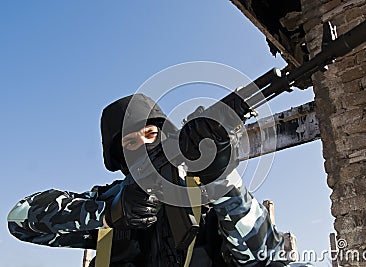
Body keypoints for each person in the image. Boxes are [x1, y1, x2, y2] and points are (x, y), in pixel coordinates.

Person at [8, 94, 289, 267]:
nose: (143, 145)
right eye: (131, 142)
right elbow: (20, 221)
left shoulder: (206, 193)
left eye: (150, 134)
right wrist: (110, 213)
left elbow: (267, 258)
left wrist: (221, 178)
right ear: (120, 157)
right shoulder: (111, 200)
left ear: (166, 136)